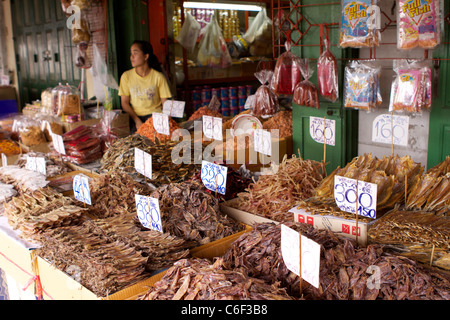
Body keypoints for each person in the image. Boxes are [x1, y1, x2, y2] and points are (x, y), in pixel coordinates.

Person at [119, 40, 172, 133]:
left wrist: (167, 119)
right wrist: (137, 120)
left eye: (135, 53)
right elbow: (124, 103)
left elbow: (165, 103)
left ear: (146, 56)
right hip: (135, 117)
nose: (132, 57)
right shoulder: (126, 76)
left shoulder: (158, 77)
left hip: (156, 116)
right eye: (131, 53)